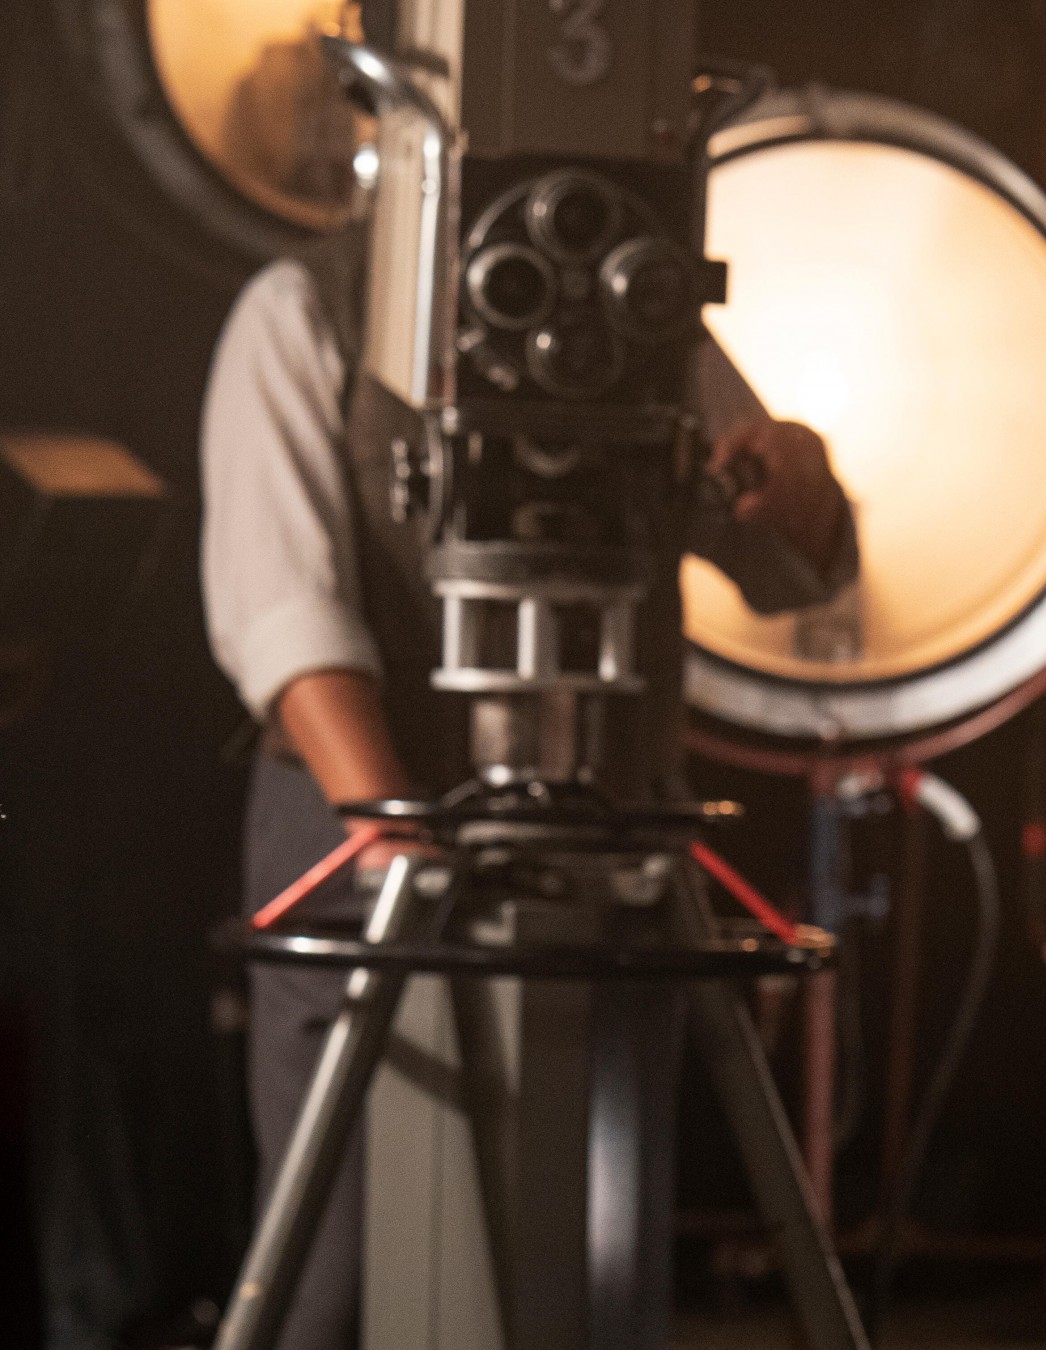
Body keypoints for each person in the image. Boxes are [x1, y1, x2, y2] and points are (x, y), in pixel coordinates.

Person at [199, 226, 852, 1350]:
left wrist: (794, 480)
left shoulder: (639, 319)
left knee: (585, 1269)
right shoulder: (305, 309)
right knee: (338, 1268)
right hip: (371, 846)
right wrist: (403, 848)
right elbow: (286, 616)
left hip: (602, 853)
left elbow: (786, 559)